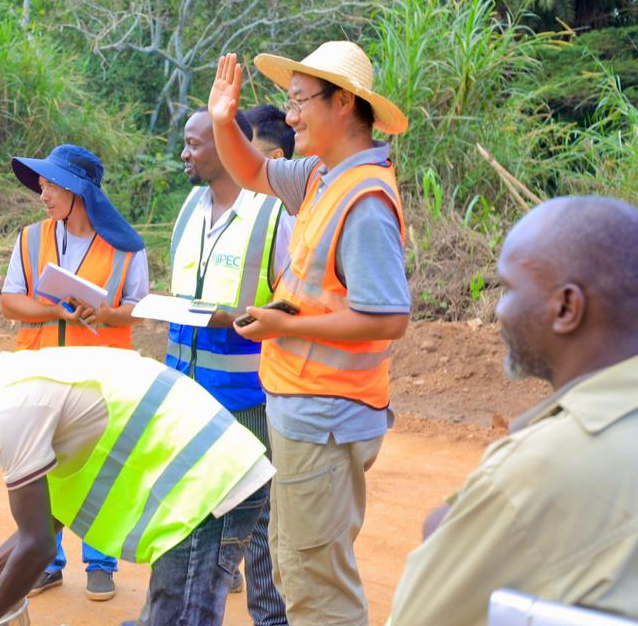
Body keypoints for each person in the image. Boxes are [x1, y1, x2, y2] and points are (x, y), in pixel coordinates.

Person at [208, 42, 411, 626]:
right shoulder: (324, 175)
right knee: (299, 568)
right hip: (306, 410)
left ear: (343, 102)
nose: (290, 116)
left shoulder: (364, 198)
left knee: (316, 587)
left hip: (327, 415)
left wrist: (284, 324)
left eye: (299, 102)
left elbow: (389, 316)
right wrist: (225, 119)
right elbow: (249, 171)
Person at [0, 319, 275, 626]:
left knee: (177, 615)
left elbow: (38, 547)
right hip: (212, 474)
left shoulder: (9, 407)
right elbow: (48, 517)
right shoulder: (26, 374)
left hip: (208, 487)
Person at [389, 196, 638, 625]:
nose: (499, 311)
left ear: (565, 308)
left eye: (507, 288)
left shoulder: (542, 468)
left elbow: (420, 614)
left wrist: (458, 526)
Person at [0, 143, 149, 601]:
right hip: (41, 374)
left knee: (98, 467)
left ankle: (100, 561)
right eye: (41, 185)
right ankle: (48, 561)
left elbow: (138, 311)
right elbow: (10, 301)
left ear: (79, 191)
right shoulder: (29, 238)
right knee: (42, 469)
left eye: (51, 185)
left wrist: (104, 313)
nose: (42, 194)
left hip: (100, 378)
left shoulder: (127, 247)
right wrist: (55, 312)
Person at [168, 105, 292, 625]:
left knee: (258, 532)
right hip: (185, 396)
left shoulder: (273, 214)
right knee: (191, 523)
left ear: (225, 145)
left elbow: (295, 308)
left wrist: (234, 318)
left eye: (194, 143)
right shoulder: (189, 209)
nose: (184, 153)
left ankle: (272, 621)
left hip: (246, 402)